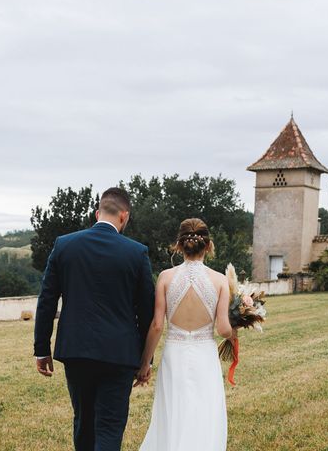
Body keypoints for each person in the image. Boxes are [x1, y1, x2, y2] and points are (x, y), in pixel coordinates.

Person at [33, 187, 155, 451]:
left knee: (84, 422)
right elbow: (147, 311)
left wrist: (41, 349)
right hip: (120, 354)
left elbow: (47, 300)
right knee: (110, 427)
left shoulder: (64, 245)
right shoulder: (136, 253)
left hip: (76, 350)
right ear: (125, 216)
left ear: (98, 212)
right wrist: (146, 359)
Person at [138, 218, 234, 451]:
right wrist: (238, 325)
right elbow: (223, 329)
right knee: (204, 414)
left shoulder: (165, 277)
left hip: (175, 354)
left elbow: (157, 325)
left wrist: (144, 364)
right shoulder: (220, 281)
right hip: (204, 356)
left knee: (173, 412)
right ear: (209, 246)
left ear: (178, 246)